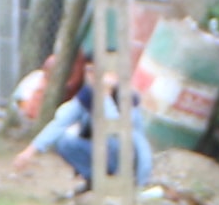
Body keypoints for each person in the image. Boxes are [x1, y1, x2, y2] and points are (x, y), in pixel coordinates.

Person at [23, 66, 151, 192]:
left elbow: (120, 132)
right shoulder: (87, 95)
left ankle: (116, 183)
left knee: (113, 143)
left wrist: (142, 181)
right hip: (99, 150)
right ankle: (94, 181)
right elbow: (60, 123)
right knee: (63, 142)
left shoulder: (127, 98)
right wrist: (31, 150)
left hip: (123, 157)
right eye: (89, 71)